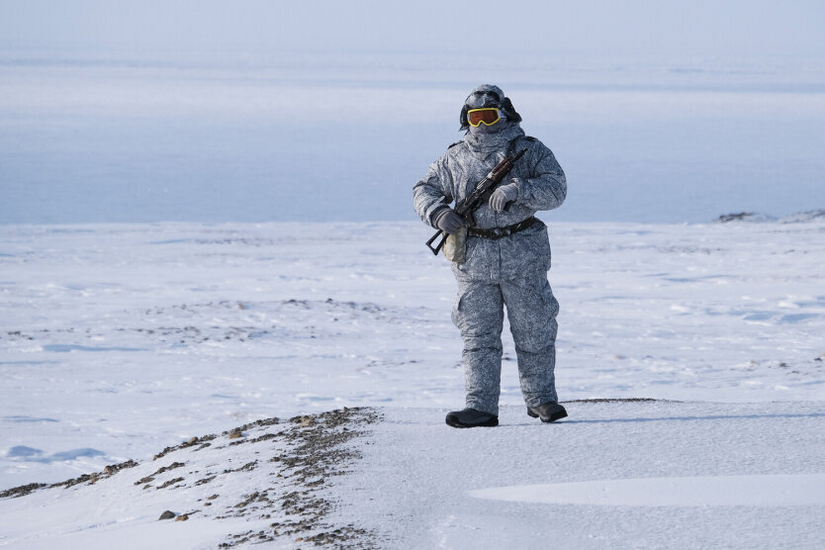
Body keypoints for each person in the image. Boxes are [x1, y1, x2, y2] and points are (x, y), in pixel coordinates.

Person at [413, 84, 568, 428]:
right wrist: (438, 213)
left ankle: (541, 400)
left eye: (489, 116)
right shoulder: (454, 158)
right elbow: (423, 189)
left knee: (535, 329)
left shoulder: (528, 151)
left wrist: (520, 190)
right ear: (465, 120)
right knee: (478, 335)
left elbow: (557, 188)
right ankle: (480, 406)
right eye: (475, 117)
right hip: (474, 259)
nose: (482, 125)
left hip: (523, 254)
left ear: (505, 115)